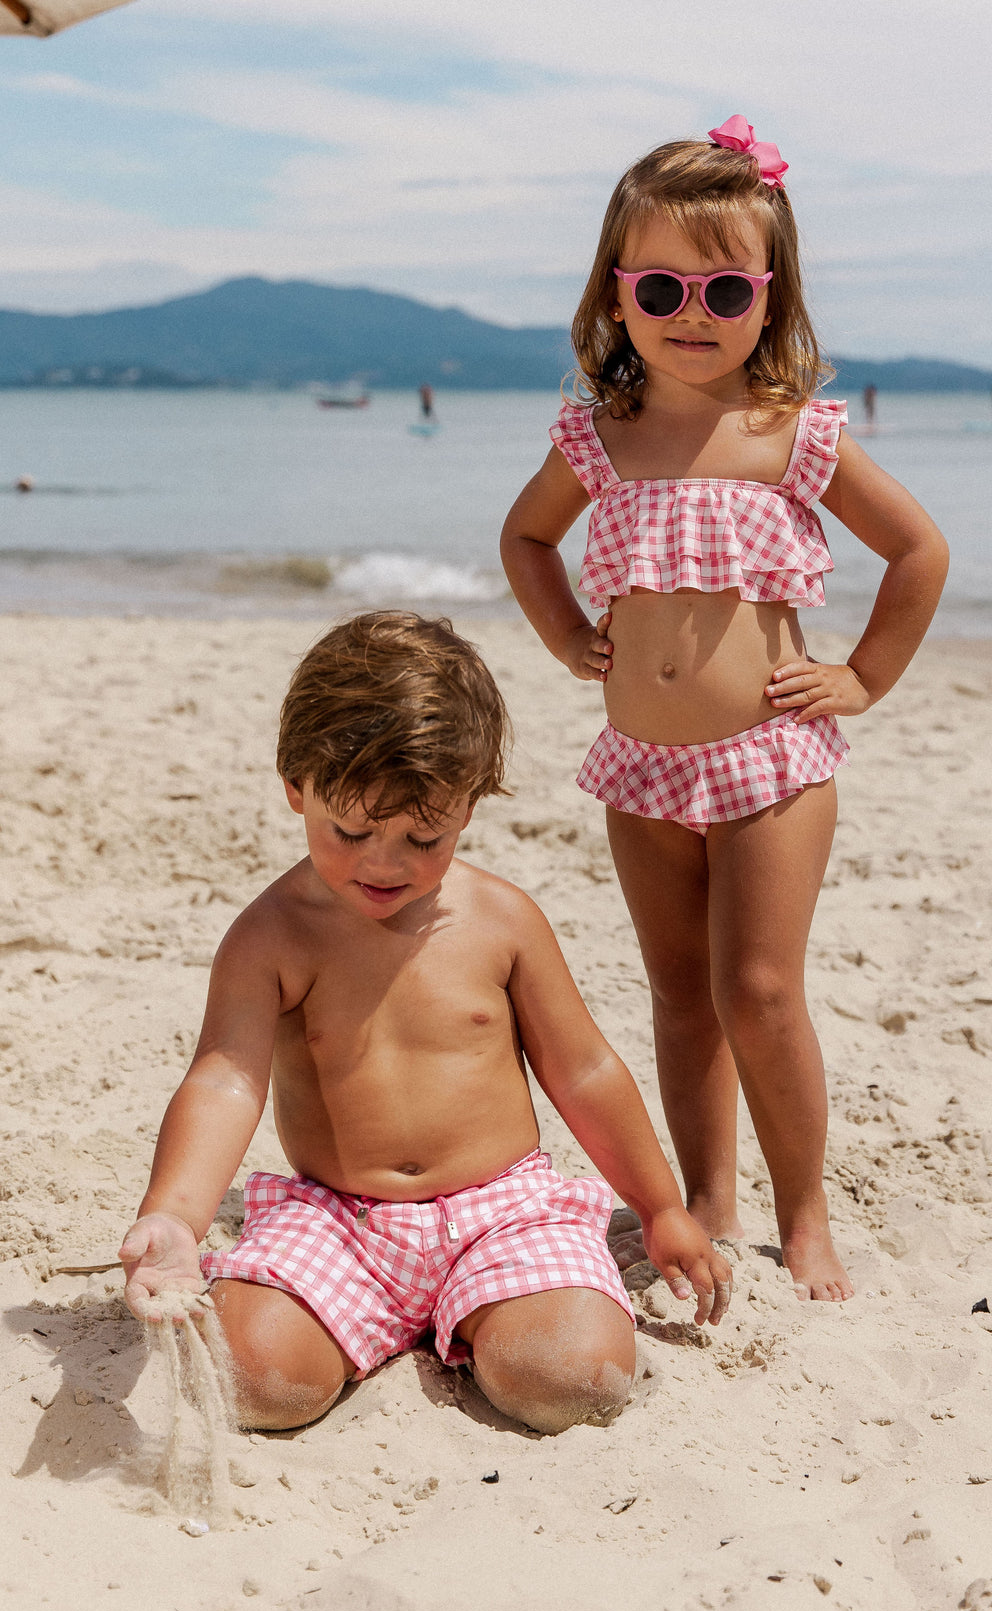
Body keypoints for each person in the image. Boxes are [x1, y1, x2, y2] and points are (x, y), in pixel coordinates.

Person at [501, 116, 949, 1302]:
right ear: (617, 292)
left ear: (770, 295)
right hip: (642, 769)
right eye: (659, 285)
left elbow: (918, 552)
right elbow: (526, 537)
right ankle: (705, 1199)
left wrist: (860, 676)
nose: (690, 311)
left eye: (723, 289)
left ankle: (803, 1216)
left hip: (770, 762)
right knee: (680, 994)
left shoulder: (790, 434)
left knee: (757, 989)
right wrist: (563, 633)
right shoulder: (601, 441)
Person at [120, 612, 730, 1435]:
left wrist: (658, 1208)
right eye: (352, 830)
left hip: (500, 1212)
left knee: (573, 1379)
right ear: (295, 785)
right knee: (255, 1382)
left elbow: (582, 1071)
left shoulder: (502, 921)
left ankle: (485, 1316)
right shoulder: (270, 937)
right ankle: (374, 1324)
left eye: (423, 836)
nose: (385, 862)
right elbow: (226, 1079)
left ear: (470, 806)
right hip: (341, 1218)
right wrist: (174, 1215)